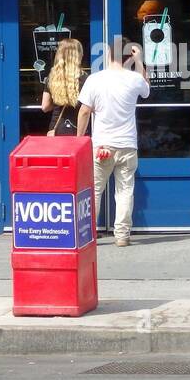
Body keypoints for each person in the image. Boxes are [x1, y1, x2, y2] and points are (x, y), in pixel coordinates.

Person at [77, 39, 149, 246]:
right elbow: (147, 89)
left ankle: (89, 233)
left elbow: (84, 111)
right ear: (129, 56)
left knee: (95, 190)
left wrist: (80, 138)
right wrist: (139, 62)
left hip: (102, 145)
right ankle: (122, 235)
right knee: (125, 190)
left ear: (108, 54)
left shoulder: (95, 79)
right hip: (127, 145)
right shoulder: (134, 79)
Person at [41, 39, 85, 136]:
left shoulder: (52, 78)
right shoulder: (86, 78)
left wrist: (59, 101)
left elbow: (45, 107)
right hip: (79, 129)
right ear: (78, 55)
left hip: (57, 129)